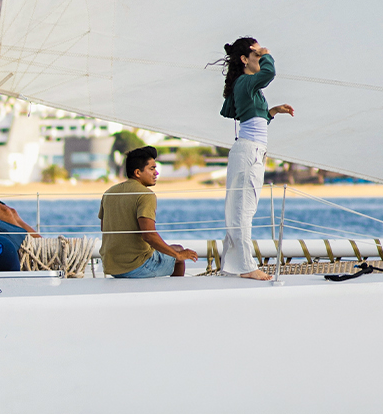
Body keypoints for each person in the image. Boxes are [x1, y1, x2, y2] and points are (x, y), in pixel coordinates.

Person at [217, 37, 295, 280]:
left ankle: (232, 266)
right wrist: (267, 53)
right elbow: (270, 73)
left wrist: (273, 111)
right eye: (256, 56)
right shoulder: (245, 82)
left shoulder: (248, 86)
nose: (261, 59)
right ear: (245, 59)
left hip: (252, 150)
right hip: (249, 152)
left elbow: (253, 119)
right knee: (243, 210)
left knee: (239, 210)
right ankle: (246, 267)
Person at [99, 146, 198, 278]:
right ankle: (175, 296)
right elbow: (148, 235)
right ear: (137, 173)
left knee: (176, 248)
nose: (156, 173)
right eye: (152, 169)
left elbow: (104, 227)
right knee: (178, 257)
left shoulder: (109, 193)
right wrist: (178, 256)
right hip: (137, 266)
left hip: (112, 266)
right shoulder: (145, 195)